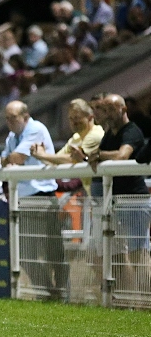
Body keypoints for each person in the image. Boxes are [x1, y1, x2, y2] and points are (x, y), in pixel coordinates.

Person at [2, 100, 67, 300]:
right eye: (7, 118)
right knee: (25, 254)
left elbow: (17, 158)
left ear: (26, 116)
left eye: (13, 118)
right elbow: (4, 159)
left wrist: (11, 159)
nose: (9, 122)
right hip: (23, 198)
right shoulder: (13, 136)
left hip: (43, 197)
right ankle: (48, 291)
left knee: (53, 252)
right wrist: (10, 158)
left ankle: (63, 294)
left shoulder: (36, 128)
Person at [87, 93, 151, 292]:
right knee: (113, 254)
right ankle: (124, 299)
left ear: (123, 110)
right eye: (103, 109)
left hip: (133, 201)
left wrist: (98, 155)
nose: (105, 113)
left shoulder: (131, 131)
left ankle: (146, 299)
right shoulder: (109, 135)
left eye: (109, 109)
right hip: (115, 202)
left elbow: (123, 155)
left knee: (138, 253)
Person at [30, 98, 104, 196]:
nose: (73, 122)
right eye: (71, 118)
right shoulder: (76, 138)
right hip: (92, 191)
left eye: (77, 118)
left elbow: (73, 159)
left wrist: (43, 155)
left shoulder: (96, 134)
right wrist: (38, 154)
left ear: (90, 117)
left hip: (103, 188)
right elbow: (56, 161)